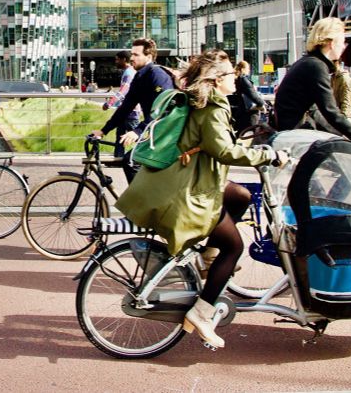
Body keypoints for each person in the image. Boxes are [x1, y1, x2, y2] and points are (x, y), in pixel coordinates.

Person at [116, 52, 289, 349]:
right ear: (218, 80)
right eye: (231, 76)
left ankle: (207, 257)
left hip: (194, 181)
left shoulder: (204, 103)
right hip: (188, 192)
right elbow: (223, 151)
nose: (236, 79)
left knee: (241, 196)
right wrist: (268, 155)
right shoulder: (211, 107)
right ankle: (202, 312)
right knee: (234, 247)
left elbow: (215, 143)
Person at [274, 17, 351, 155]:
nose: (343, 46)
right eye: (342, 41)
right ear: (331, 43)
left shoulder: (308, 63)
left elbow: (316, 110)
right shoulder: (316, 66)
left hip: (291, 134)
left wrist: (346, 136)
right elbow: (330, 111)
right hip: (297, 138)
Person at [90, 38, 175, 182]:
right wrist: (104, 131)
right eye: (131, 54)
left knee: (130, 161)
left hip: (166, 133)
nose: (131, 58)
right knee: (132, 160)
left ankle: (142, 202)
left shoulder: (158, 76)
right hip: (155, 131)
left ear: (148, 57)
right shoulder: (140, 77)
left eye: (136, 55)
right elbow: (125, 107)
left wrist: (138, 131)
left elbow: (164, 109)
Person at [103, 50, 141, 159]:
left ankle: (148, 155)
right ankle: (118, 159)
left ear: (124, 60)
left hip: (130, 112)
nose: (115, 62)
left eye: (117, 59)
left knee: (137, 137)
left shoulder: (128, 73)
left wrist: (109, 103)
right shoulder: (130, 71)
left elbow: (123, 91)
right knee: (120, 137)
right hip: (125, 111)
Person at [227, 60, 265, 134]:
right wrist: (261, 104)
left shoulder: (237, 79)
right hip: (249, 111)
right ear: (243, 69)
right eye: (248, 68)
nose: (249, 70)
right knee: (249, 131)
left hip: (242, 109)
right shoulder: (244, 79)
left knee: (242, 131)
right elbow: (253, 94)